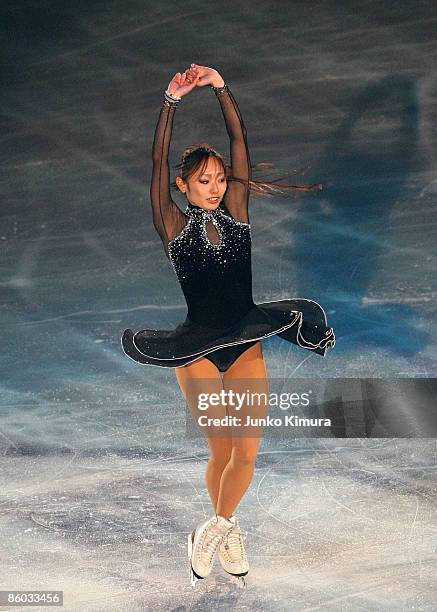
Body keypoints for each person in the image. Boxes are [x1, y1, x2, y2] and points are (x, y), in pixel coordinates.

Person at [121, 64, 335, 586]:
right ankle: (221, 527)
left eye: (219, 180)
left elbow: (239, 139)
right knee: (221, 449)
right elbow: (155, 161)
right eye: (203, 181)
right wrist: (169, 102)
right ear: (183, 185)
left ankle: (217, 527)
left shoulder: (237, 212)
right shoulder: (171, 223)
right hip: (196, 348)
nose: (215, 188)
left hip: (243, 339)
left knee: (247, 453)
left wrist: (220, 87)